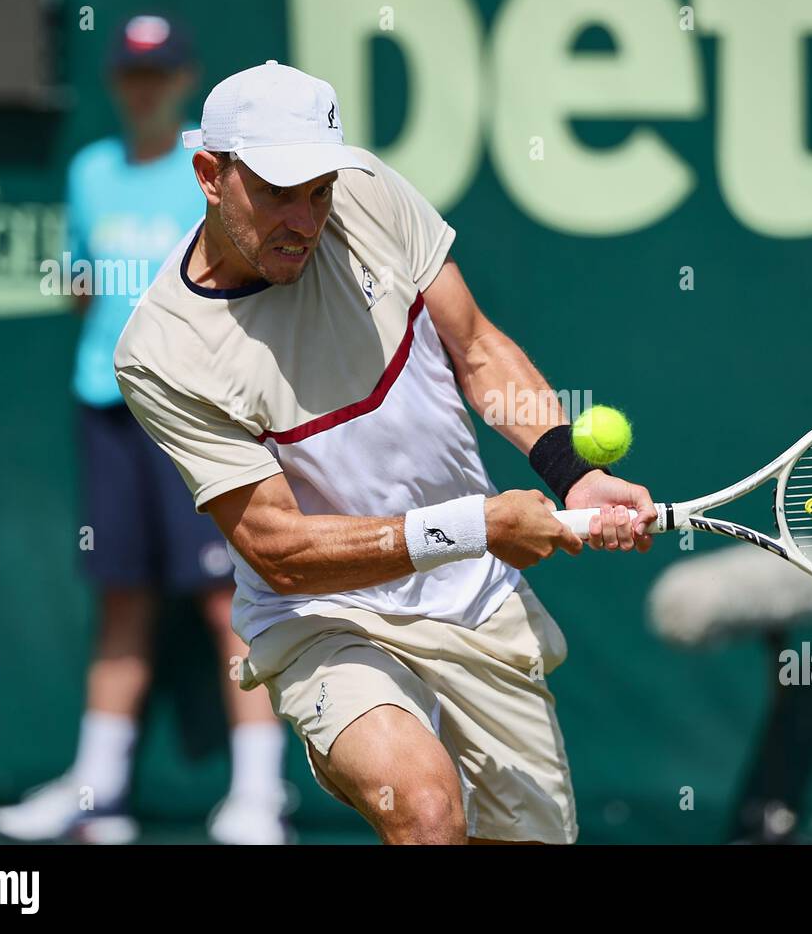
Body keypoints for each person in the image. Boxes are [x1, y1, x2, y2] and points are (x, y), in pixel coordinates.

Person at [112, 60, 658, 844]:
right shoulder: (162, 351)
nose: (305, 219)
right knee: (426, 808)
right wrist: (475, 526)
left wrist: (575, 473)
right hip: (321, 614)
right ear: (210, 174)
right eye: (275, 192)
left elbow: (476, 348)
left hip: (473, 600)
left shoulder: (366, 191)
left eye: (318, 191)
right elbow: (280, 550)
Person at [0, 18, 291, 845]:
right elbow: (80, 283)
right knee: (122, 601)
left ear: (185, 80)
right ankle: (98, 795)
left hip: (199, 415)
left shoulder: (215, 176)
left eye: (159, 74)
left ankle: (261, 798)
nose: (145, 87)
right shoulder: (90, 172)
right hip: (109, 409)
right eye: (132, 74)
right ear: (118, 82)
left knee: (228, 602)